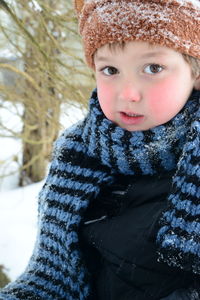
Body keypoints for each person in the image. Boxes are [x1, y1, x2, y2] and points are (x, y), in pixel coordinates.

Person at [0, 0, 200, 299]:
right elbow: (50, 278)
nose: (128, 93)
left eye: (153, 67)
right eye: (110, 69)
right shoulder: (76, 155)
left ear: (195, 73)